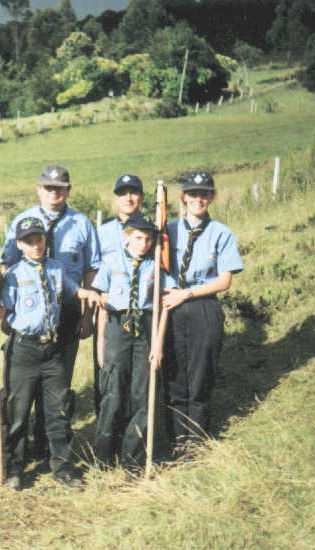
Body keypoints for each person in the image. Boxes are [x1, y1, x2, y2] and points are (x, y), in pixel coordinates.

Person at [1, 165, 101, 460]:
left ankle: (47, 446)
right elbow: (7, 264)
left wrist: (87, 316)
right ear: (38, 189)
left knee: (57, 386)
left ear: (68, 190)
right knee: (23, 386)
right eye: (48, 188)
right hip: (29, 314)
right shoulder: (22, 220)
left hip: (67, 312)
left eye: (59, 188)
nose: (53, 193)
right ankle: (22, 448)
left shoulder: (82, 223)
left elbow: (91, 268)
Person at [160, 171, 243, 453]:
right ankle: (176, 437)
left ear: (212, 197)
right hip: (170, 306)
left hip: (203, 306)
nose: (199, 199)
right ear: (183, 197)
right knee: (173, 369)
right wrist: (172, 293)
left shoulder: (222, 233)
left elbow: (225, 280)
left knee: (201, 370)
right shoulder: (166, 231)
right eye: (193, 194)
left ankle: (196, 438)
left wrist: (189, 293)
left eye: (205, 194)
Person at [93, 213, 170, 470]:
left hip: (144, 328)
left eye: (148, 238)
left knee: (142, 391)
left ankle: (133, 458)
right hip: (117, 326)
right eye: (138, 237)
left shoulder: (156, 266)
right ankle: (103, 458)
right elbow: (102, 306)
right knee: (113, 391)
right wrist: (100, 347)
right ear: (127, 237)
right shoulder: (111, 261)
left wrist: (158, 343)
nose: (143, 244)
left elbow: (164, 305)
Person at [94, 174, 146, 417]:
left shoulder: (151, 230)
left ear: (142, 198)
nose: (128, 197)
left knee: (139, 379)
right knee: (108, 373)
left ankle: (134, 436)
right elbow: (93, 272)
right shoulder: (102, 233)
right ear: (115, 199)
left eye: (134, 192)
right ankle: (107, 434)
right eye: (122, 193)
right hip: (110, 312)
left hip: (142, 315)